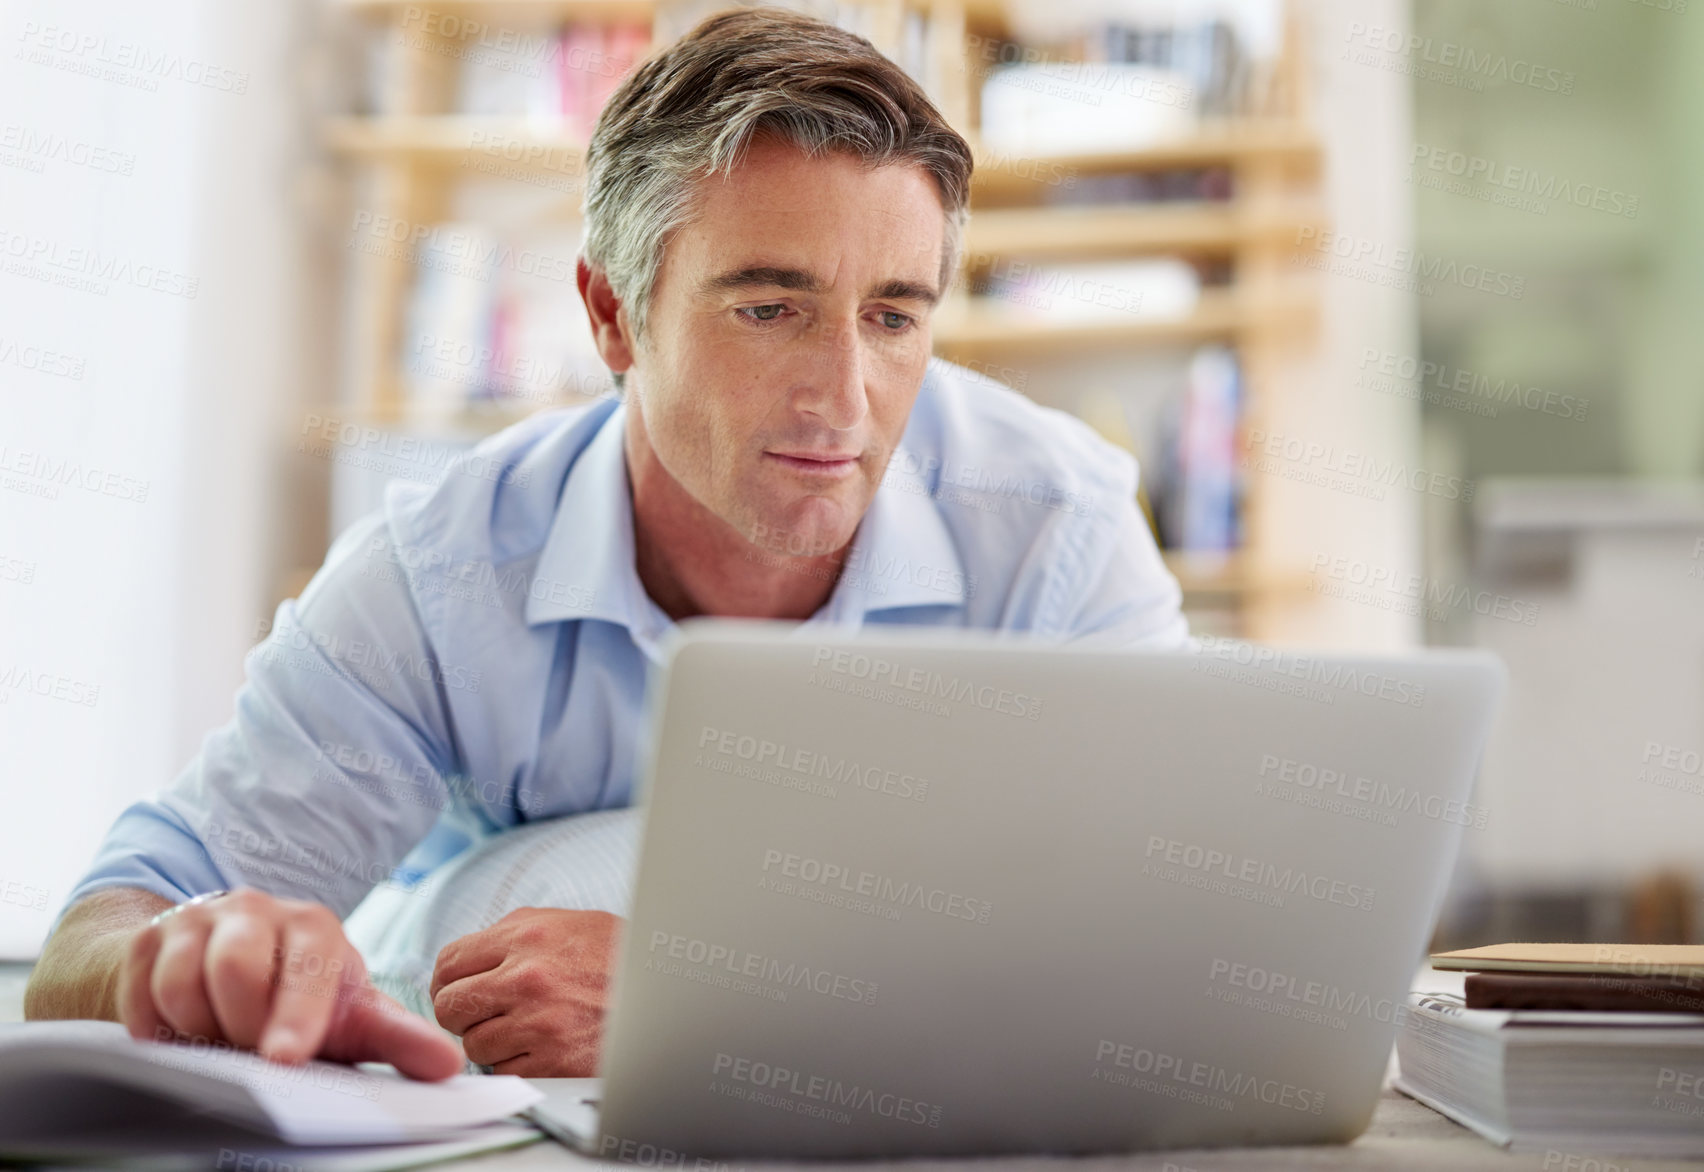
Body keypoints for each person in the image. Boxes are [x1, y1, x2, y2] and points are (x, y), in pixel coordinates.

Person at [24, 6, 1187, 1079]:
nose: (844, 395)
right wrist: (177, 963)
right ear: (614, 314)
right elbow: (102, 930)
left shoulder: (1057, 531)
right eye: (769, 307)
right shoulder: (443, 577)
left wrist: (704, 984)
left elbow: (1170, 948)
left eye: (892, 315)